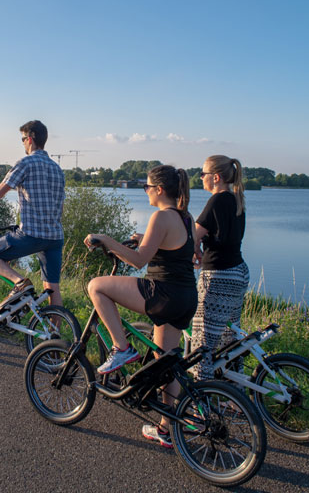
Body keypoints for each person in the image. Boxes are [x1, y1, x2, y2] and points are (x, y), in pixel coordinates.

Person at [84, 164, 197, 449]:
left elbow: (138, 262)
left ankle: (122, 349)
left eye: (147, 187)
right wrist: (142, 240)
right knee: (165, 361)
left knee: (96, 286)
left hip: (163, 293)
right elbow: (175, 249)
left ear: (159, 190)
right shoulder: (186, 217)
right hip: (185, 297)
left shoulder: (160, 216)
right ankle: (165, 428)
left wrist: (107, 240)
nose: (145, 191)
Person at [0, 120, 65, 311]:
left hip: (31, 235)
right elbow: (60, 207)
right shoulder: (57, 169)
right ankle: (54, 335)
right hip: (55, 237)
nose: (22, 144)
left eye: (22, 139)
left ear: (29, 139)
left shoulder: (26, 163)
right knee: (52, 287)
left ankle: (20, 282)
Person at [191, 155, 249, 381]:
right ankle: (234, 397)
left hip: (218, 277)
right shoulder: (237, 199)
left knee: (202, 344)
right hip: (238, 272)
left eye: (203, 173)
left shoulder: (216, 201)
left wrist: (193, 248)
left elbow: (191, 236)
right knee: (229, 340)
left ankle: (199, 408)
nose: (201, 177)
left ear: (215, 177)